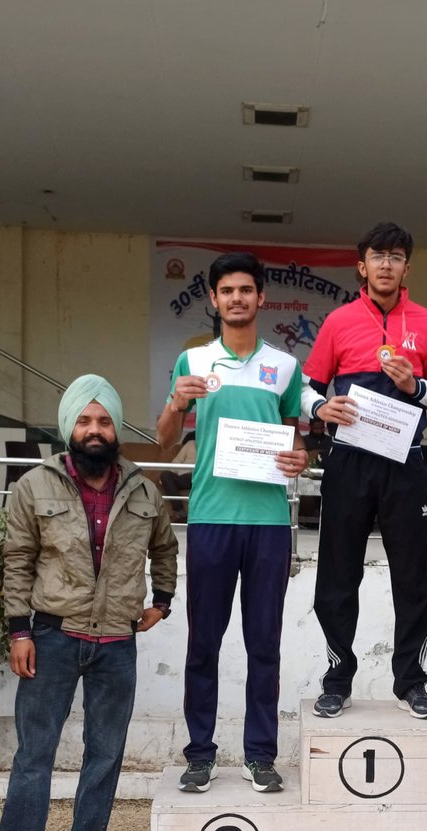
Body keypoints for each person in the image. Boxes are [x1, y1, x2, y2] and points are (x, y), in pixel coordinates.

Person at [0, 374, 179, 831]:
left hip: (117, 643)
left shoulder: (144, 489)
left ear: (116, 429)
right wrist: (19, 632)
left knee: (106, 752)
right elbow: (17, 560)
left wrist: (162, 601)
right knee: (35, 753)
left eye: (104, 421)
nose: (95, 430)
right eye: (84, 420)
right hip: (53, 637)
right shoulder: (34, 486)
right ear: (68, 426)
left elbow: (164, 548)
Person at [156, 252, 311, 794]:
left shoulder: (285, 366)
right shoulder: (193, 361)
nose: (237, 298)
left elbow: (293, 437)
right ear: (214, 299)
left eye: (246, 289)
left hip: (268, 522)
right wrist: (176, 404)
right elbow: (165, 441)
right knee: (204, 642)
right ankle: (200, 755)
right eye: (227, 290)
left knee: (263, 644)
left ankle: (260, 755)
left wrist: (301, 458)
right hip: (211, 518)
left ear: (261, 297)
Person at [303, 222, 427, 720]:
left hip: (404, 461)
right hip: (348, 461)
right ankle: (337, 679)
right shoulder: (339, 321)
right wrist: (319, 408)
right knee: (337, 574)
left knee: (412, 578)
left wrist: (416, 386)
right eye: (378, 256)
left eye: (395, 256)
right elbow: (305, 389)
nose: (386, 264)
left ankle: (411, 682)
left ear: (406, 268)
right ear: (362, 266)